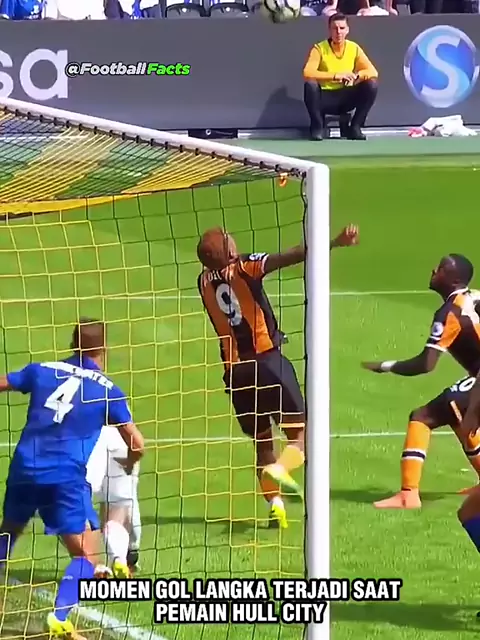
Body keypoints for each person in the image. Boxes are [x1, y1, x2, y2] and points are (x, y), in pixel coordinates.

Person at [197, 225, 359, 529]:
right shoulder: (245, 267)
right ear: (230, 251)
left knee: (263, 443)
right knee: (303, 435)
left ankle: (275, 505)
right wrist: (334, 242)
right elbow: (291, 256)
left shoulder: (203, 281)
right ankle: (282, 468)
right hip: (267, 363)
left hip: (235, 372)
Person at [0, 318, 144, 639]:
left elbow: (4, 382)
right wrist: (128, 461)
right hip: (65, 479)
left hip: (23, 469)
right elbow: (137, 443)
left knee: (7, 534)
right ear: (103, 349)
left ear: (73, 344)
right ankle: (60, 616)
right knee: (86, 558)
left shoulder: (41, 370)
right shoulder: (108, 390)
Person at [362, 254, 480, 509]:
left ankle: (409, 495)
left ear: (454, 279)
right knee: (457, 411)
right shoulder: (474, 298)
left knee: (424, 416)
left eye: (441, 268)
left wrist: (385, 366)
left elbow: (425, 365)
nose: (434, 270)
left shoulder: (450, 313)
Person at [303, 12, 378, 141]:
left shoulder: (354, 48)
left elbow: (373, 71)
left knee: (372, 84)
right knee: (310, 85)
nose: (338, 32)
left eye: (342, 28)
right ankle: (317, 127)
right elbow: (308, 72)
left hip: (346, 95)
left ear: (347, 30)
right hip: (325, 97)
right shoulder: (319, 48)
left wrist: (356, 76)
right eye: (335, 28)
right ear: (329, 30)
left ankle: (355, 127)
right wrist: (336, 76)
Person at [86, 426, 142, 578]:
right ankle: (122, 557)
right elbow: (138, 445)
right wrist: (133, 456)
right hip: (119, 440)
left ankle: (94, 564)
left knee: (75, 504)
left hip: (86, 444)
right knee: (118, 512)